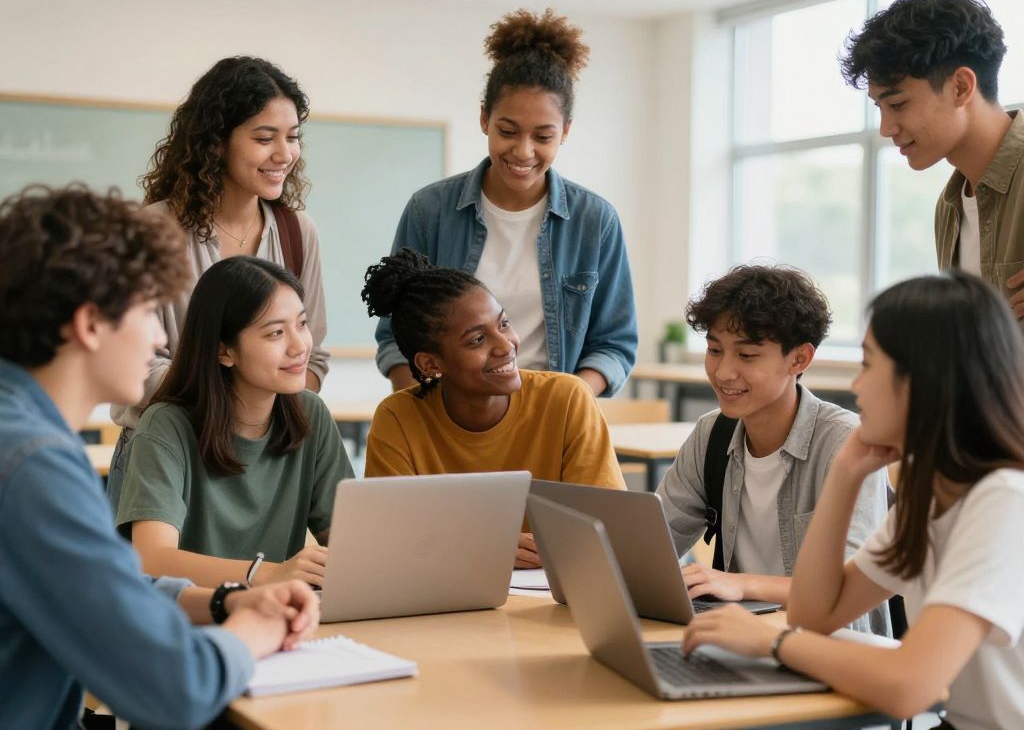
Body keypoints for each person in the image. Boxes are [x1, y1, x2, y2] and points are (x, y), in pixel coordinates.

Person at [0, 184, 319, 729]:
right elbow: (176, 688)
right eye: (149, 311)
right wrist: (253, 633)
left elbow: (103, 587)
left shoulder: (22, 431)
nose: (159, 339)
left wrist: (222, 602)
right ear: (90, 324)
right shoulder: (35, 464)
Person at [682, 272, 1024, 729]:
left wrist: (770, 642)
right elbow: (814, 614)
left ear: (922, 380)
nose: (856, 385)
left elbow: (910, 686)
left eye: (868, 365)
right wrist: (845, 475)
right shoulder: (931, 499)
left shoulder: (1003, 501)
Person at [375, 8, 637, 397]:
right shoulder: (430, 211)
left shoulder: (595, 221)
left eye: (543, 137)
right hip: (450, 407)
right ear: (485, 119)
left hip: (552, 411)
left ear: (565, 132)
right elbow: (395, 336)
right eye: (508, 131)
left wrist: (567, 404)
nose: (524, 151)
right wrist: (426, 412)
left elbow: (614, 345)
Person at [106, 55, 330, 508]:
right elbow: (134, 369)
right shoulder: (152, 232)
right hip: (164, 458)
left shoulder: (297, 232)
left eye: (292, 137)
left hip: (259, 462)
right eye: (264, 138)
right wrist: (245, 398)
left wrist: (252, 417)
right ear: (215, 143)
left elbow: (314, 360)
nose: (284, 154)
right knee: (157, 558)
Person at [657, 265, 890, 635]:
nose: (723, 372)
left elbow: (848, 589)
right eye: (714, 350)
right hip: (739, 638)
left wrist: (741, 584)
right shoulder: (711, 434)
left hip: (831, 646)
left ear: (799, 359)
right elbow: (654, 544)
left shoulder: (846, 445)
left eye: (747, 356)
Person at [362, 248, 625, 568]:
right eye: (477, 340)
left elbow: (609, 526)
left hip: (551, 590)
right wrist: (487, 545)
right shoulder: (397, 419)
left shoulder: (568, 399)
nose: (506, 345)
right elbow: (390, 541)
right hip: (446, 592)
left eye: (503, 324)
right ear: (430, 364)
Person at [116, 256, 353, 589]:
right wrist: (268, 574)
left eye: (301, 324)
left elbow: (350, 543)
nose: (300, 346)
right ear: (224, 351)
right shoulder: (165, 426)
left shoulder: (310, 413)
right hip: (191, 615)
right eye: (275, 333)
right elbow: (152, 559)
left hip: (278, 613)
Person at [842, 0, 1024, 321]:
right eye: (880, 107)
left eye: (898, 104)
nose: (886, 128)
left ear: (961, 87)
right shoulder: (949, 207)